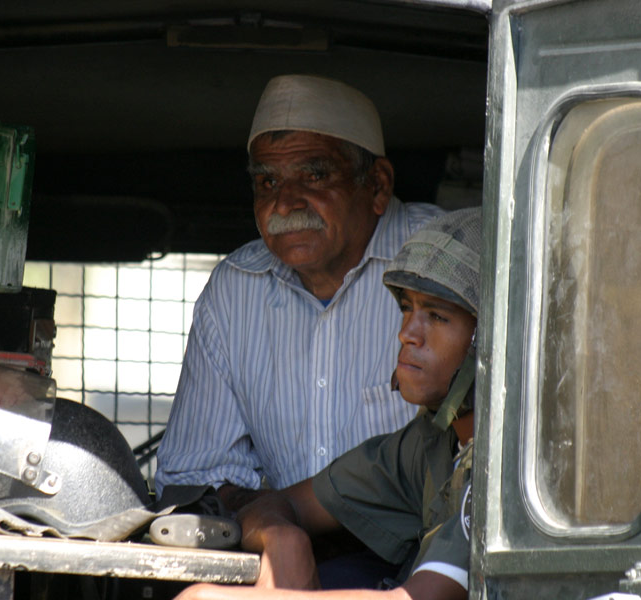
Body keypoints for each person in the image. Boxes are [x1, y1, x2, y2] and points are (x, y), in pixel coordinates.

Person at [155, 74, 443, 510]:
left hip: (430, 561)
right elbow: (194, 478)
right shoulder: (234, 293)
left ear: (378, 186)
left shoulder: (446, 263)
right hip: (286, 556)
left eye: (314, 175)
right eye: (267, 183)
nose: (285, 203)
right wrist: (271, 527)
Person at [175, 207, 482, 600]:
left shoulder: (506, 468)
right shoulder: (430, 446)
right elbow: (286, 503)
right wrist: (282, 536)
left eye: (437, 316)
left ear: (488, 339)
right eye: (407, 308)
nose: (408, 333)